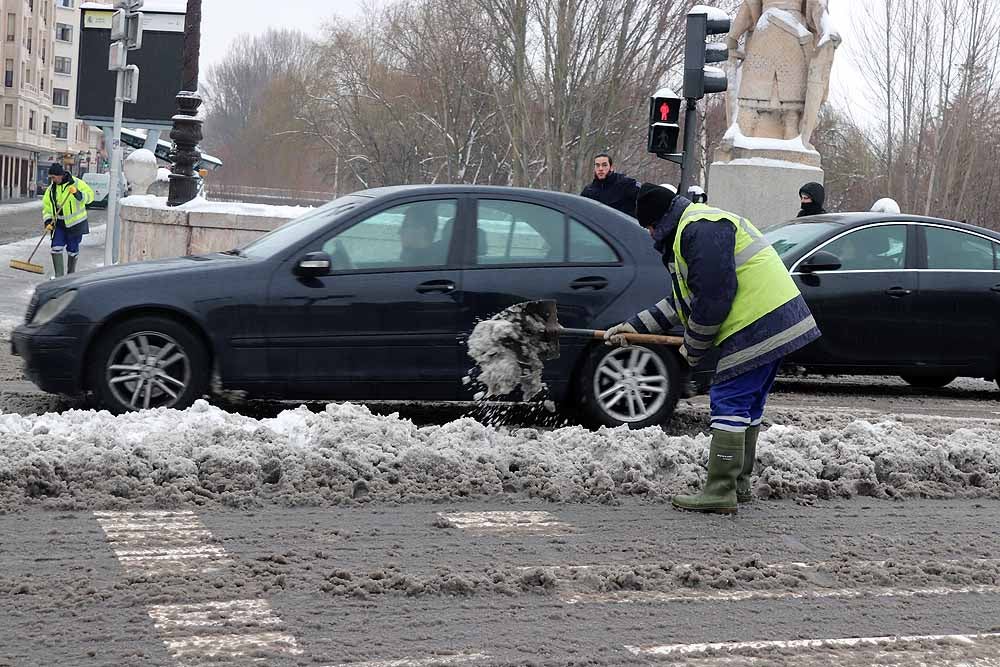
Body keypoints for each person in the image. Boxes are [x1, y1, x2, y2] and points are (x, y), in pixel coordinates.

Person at [604, 184, 821, 514]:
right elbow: (683, 303)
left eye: (648, 227)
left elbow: (714, 301)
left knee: (729, 400)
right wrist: (633, 328)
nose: (648, 235)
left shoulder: (699, 230)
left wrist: (693, 347)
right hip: (776, 317)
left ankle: (720, 490)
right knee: (747, 404)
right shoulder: (692, 230)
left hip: (758, 321)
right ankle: (738, 484)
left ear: (658, 221)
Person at [42, 163, 95, 277]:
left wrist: (78, 194)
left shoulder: (76, 183)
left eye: (53, 177)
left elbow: (90, 196)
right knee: (55, 248)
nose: (52, 180)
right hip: (59, 225)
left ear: (60, 175)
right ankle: (59, 276)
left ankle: (70, 274)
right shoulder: (51, 190)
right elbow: (46, 207)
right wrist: (48, 221)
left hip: (75, 225)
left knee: (72, 250)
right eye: (51, 178)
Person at [580, 153, 640, 218]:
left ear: (611, 168)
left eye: (604, 165)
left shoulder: (626, 184)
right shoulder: (588, 191)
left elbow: (646, 199)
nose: (600, 169)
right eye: (597, 165)